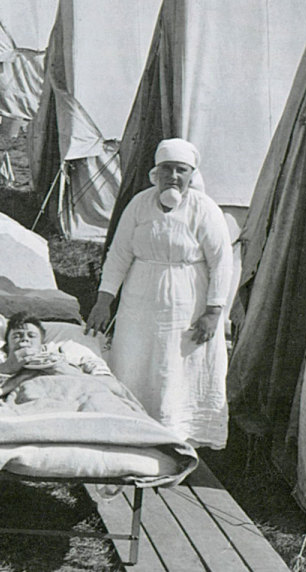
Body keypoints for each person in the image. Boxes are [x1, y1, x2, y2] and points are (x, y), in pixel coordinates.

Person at [85, 138, 234, 447]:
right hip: (139, 303)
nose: (173, 176)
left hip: (186, 306)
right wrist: (104, 300)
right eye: (167, 169)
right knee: (135, 361)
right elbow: (119, 254)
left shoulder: (204, 209)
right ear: (156, 173)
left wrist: (213, 312)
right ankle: (130, 428)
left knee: (174, 367)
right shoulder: (140, 204)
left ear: (191, 174)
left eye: (181, 170)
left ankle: (175, 436)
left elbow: (222, 262)